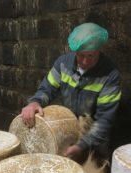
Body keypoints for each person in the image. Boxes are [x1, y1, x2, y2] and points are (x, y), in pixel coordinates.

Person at [21, 22, 121, 165]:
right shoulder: (63, 64)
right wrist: (35, 102)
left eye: (91, 56)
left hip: (96, 138)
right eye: (81, 56)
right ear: (75, 51)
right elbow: (47, 89)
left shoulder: (110, 75)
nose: (85, 61)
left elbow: (104, 119)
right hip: (69, 129)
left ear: (99, 50)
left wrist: (82, 145)